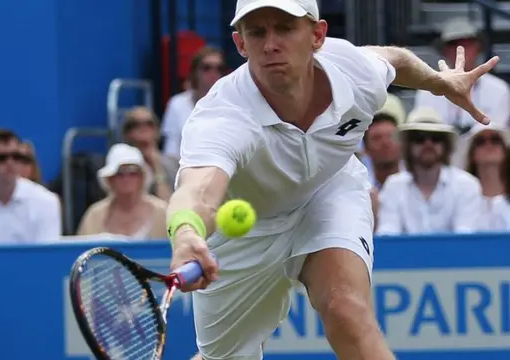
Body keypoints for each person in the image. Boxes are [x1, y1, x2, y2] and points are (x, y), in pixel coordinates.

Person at [164, 1, 499, 359]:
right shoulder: (223, 117)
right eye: (257, 32)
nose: (270, 43)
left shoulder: (354, 72)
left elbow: (395, 60)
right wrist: (186, 231)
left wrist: (437, 82)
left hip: (328, 189)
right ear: (240, 44)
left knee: (347, 309)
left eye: (286, 28)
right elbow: (199, 188)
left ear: (318, 35)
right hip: (247, 231)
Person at [376, 107, 483, 235]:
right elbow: (389, 236)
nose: (428, 144)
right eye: (419, 138)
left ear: (445, 145)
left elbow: (464, 239)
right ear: (408, 145)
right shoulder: (393, 186)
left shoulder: (466, 185)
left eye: (436, 138)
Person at [0, 129, 61, 245]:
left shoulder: (46, 201)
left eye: (16, 156)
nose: (10, 162)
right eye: (1, 158)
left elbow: (46, 255)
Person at [414, 17, 510, 133]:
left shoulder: (499, 89)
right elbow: (425, 134)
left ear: (478, 48)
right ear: (445, 51)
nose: (460, 49)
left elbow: (498, 135)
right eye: (453, 44)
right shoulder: (427, 92)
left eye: (467, 43)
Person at [76, 143, 168, 240]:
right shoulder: (94, 214)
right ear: (110, 179)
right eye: (119, 173)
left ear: (142, 177)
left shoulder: (162, 212)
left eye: (133, 172)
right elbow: (82, 251)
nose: (126, 178)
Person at [162, 47, 226, 158]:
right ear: (195, 71)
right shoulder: (177, 104)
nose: (213, 73)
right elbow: (171, 150)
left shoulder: (231, 104)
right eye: (207, 68)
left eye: (218, 68)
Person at [122, 106, 179, 201]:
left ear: (157, 130)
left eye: (149, 123)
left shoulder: (174, 163)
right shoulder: (121, 163)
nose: (143, 127)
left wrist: (157, 166)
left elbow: (167, 204)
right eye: (135, 124)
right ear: (127, 132)